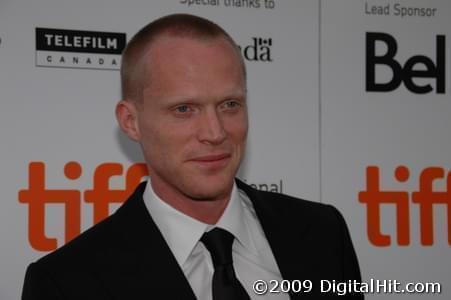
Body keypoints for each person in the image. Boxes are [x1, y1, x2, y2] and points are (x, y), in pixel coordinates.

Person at [21, 14, 363, 299]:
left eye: (230, 105)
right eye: (184, 109)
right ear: (131, 121)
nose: (215, 133)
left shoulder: (323, 233)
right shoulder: (66, 283)